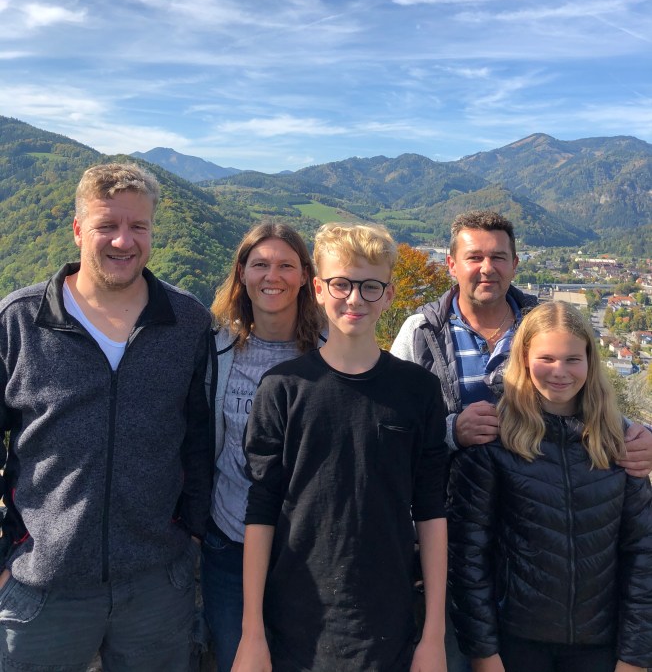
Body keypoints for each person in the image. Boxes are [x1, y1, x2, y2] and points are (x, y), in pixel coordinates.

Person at [391, 210, 652, 670]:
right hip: (442, 534)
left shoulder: (543, 323)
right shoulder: (421, 331)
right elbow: (392, 429)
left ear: (514, 263)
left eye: (498, 257)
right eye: (474, 257)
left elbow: (581, 396)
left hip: (535, 552)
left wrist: (635, 432)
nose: (486, 267)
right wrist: (451, 431)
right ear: (451, 264)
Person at [0, 162, 212, 671]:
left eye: (138, 226)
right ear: (78, 230)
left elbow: (199, 439)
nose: (123, 240)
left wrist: (192, 532)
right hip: (41, 585)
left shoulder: (186, 321)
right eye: (107, 225)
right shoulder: (20, 321)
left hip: (158, 584)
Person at [233, 222, 449, 672]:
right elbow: (262, 510)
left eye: (371, 286)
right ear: (317, 289)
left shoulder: (418, 391)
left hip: (387, 621)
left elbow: (431, 512)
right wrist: (252, 633)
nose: (355, 299)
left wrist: (433, 636)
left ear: (389, 295)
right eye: (341, 284)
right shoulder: (283, 388)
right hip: (294, 621)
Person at [447, 301, 652, 672]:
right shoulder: (492, 442)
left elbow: (642, 555)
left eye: (572, 359)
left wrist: (635, 657)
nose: (560, 371)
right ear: (524, 360)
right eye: (547, 358)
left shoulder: (619, 443)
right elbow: (468, 558)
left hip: (601, 647)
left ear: (590, 362)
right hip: (515, 644)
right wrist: (483, 654)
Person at [201, 221, 324, 672]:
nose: (272, 276)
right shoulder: (215, 349)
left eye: (286, 265)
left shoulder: (330, 350)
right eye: (260, 265)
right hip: (229, 543)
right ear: (242, 272)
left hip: (305, 548)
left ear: (306, 276)